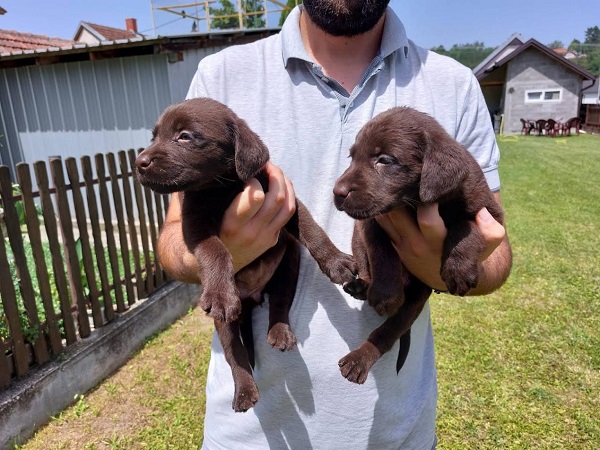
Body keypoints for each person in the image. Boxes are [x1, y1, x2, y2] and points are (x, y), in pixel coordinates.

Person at [158, 1, 512, 448]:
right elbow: (175, 235)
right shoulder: (222, 77)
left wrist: (434, 262)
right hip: (253, 436)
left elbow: (495, 249)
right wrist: (223, 255)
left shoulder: (453, 84)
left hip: (391, 428)